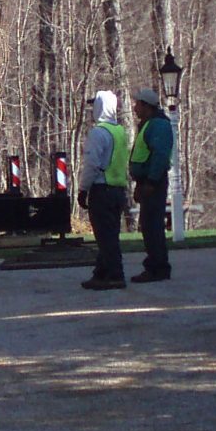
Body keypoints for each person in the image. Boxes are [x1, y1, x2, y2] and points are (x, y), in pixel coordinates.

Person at [75, 89, 130, 290]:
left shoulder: (98, 133)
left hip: (102, 189)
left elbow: (92, 164)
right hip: (118, 190)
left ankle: (116, 275)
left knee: (105, 236)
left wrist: (83, 189)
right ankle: (101, 272)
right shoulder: (120, 132)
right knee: (110, 233)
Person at [129, 88, 176, 283]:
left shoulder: (158, 125)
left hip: (153, 182)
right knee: (148, 225)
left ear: (146, 106)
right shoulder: (149, 124)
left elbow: (160, 155)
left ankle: (157, 267)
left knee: (153, 225)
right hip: (146, 181)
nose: (134, 108)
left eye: (137, 104)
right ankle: (156, 266)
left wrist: (151, 181)